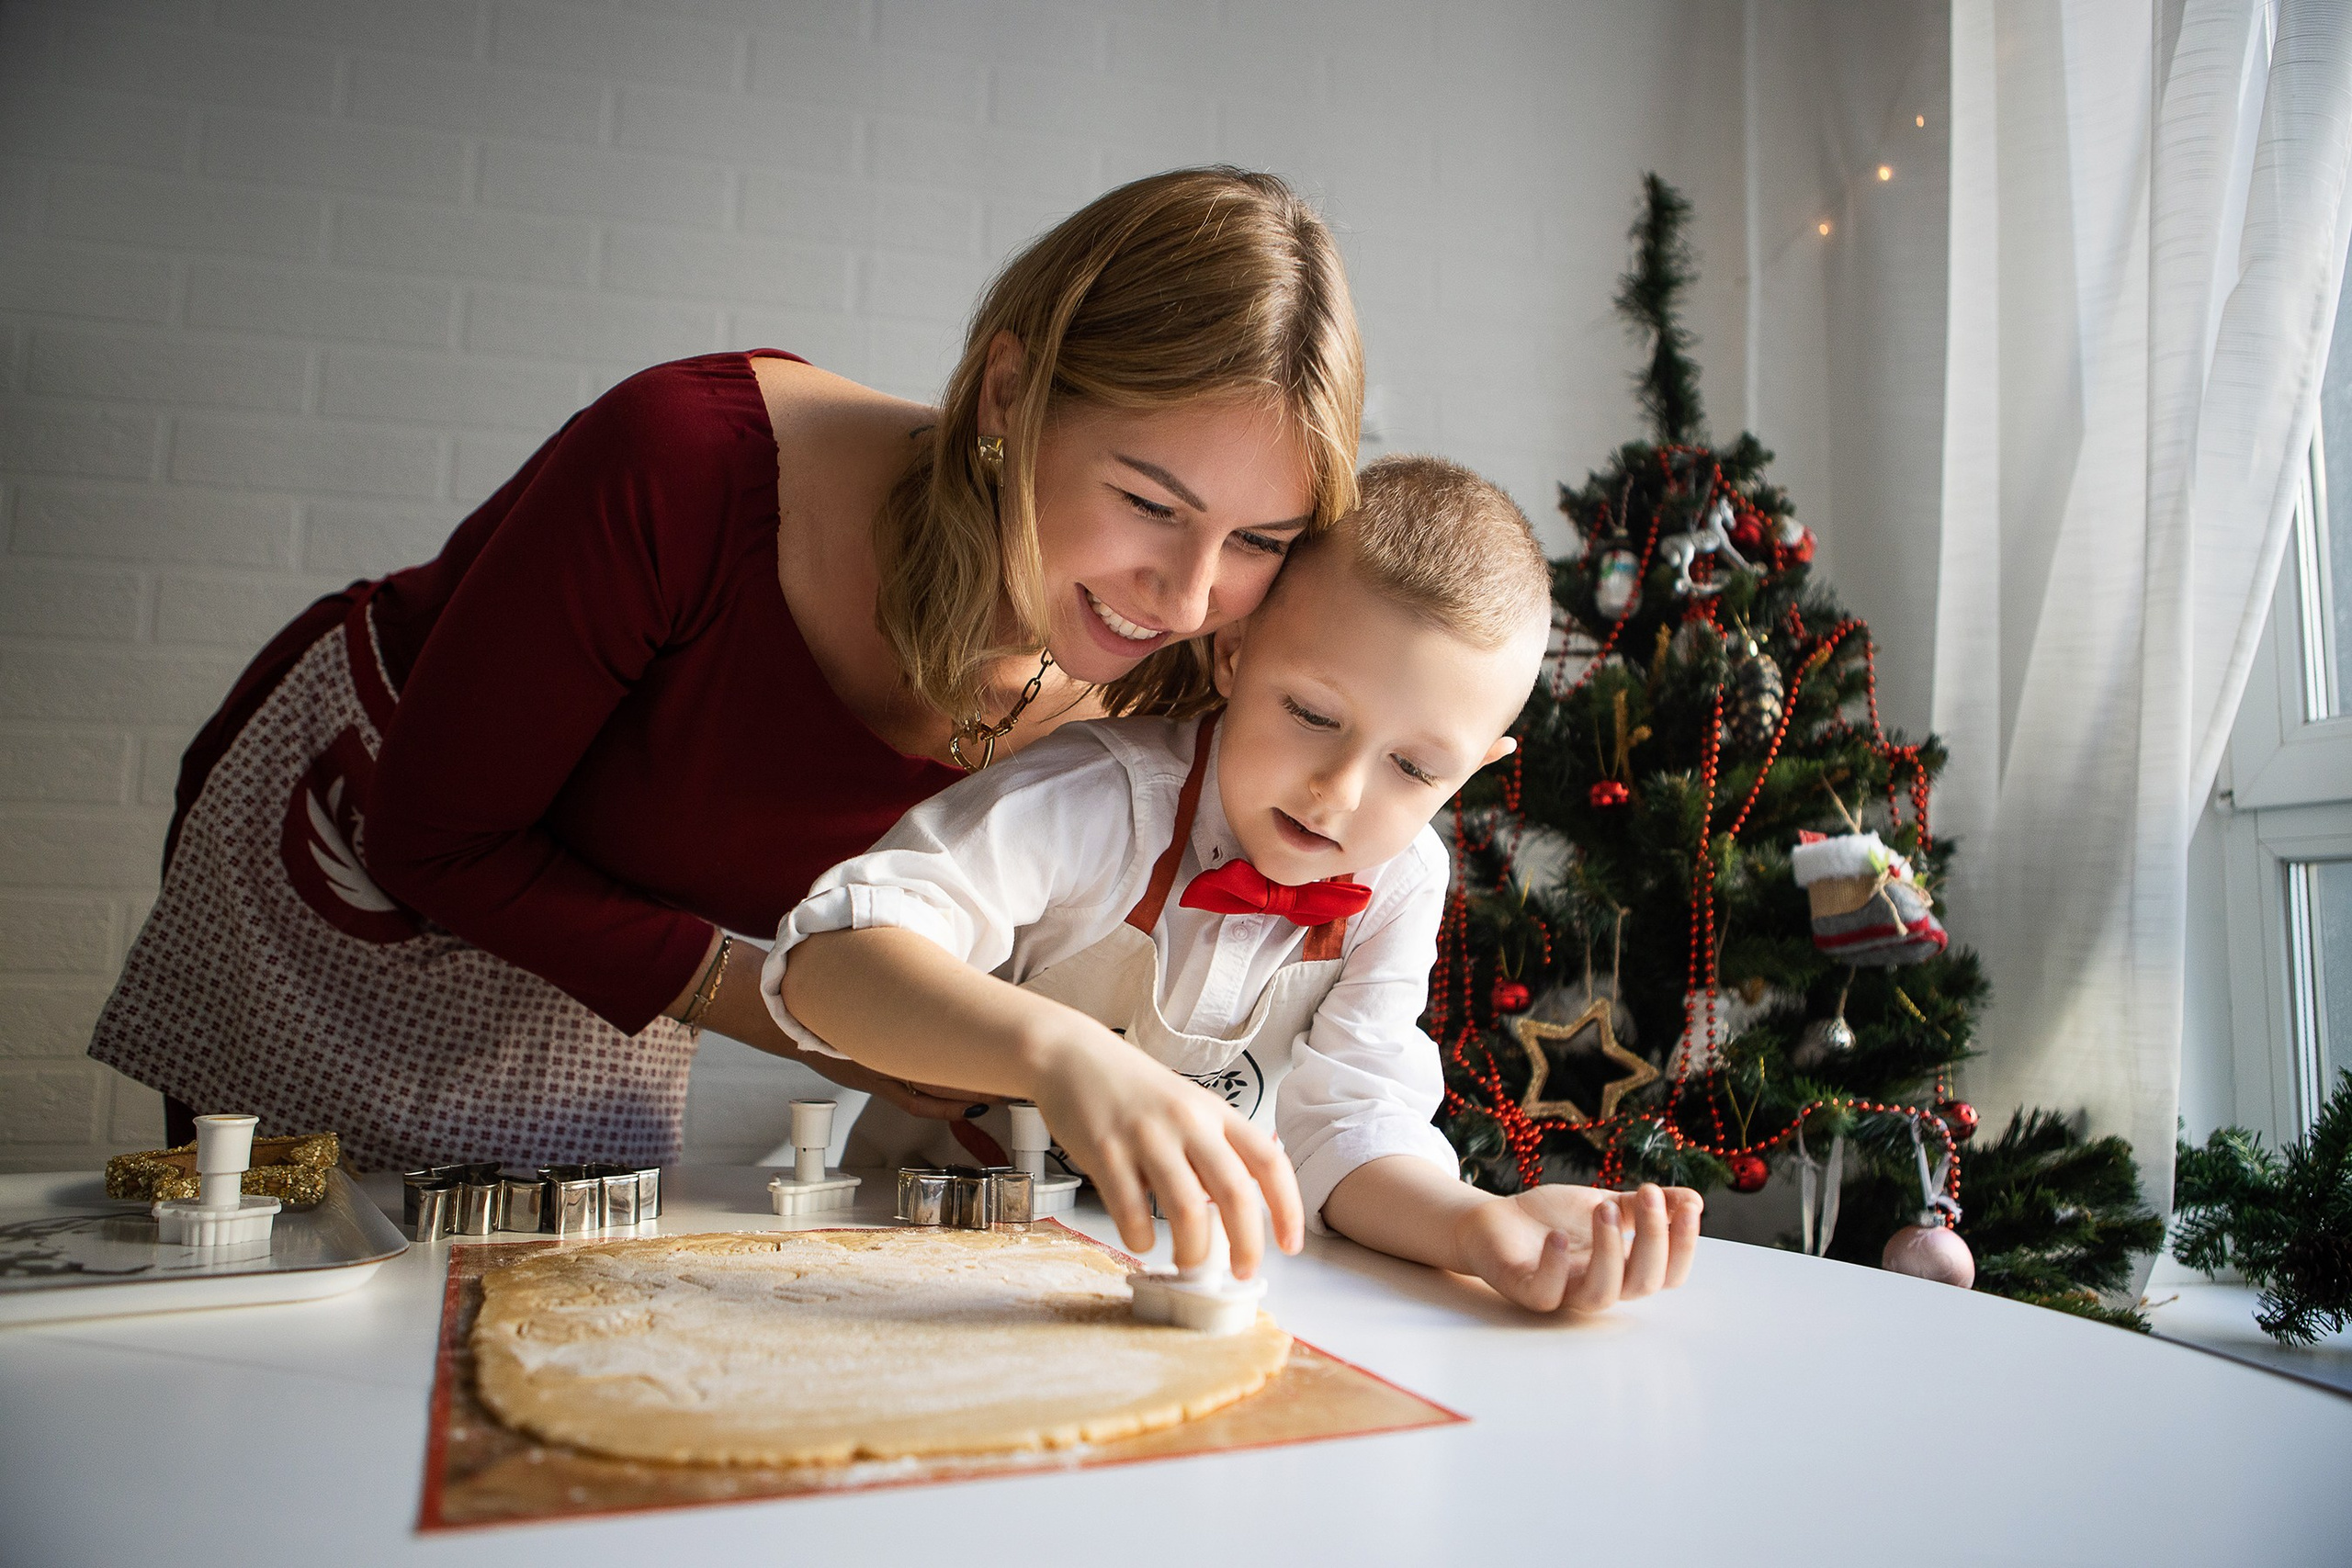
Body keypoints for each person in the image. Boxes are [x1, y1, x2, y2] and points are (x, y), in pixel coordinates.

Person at [85, 166, 1364, 1173]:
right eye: (1148, 502)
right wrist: (808, 1010)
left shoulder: (1191, 663)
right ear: (1006, 393)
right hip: (362, 862)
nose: (1186, 596)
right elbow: (439, 841)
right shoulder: (685, 463)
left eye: (1258, 540)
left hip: (620, 946)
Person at [768, 457, 1703, 1313]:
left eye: (1415, 769)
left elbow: (1346, 1129)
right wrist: (1058, 1055)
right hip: (915, 1258)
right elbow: (827, 962)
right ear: (1234, 652)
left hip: (1164, 1284)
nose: (1339, 793)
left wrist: (1475, 1226)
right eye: (1311, 714)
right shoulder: (1095, 802)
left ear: (1473, 772)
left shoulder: (1402, 881)